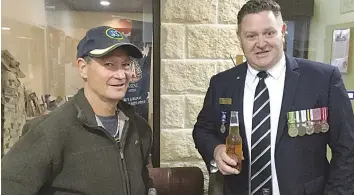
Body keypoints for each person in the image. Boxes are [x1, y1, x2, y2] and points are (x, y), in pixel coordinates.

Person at [192, 0, 354, 194]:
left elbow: (347, 149)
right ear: (239, 37)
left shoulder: (323, 80)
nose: (261, 44)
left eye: (269, 33)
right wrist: (216, 149)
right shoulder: (222, 84)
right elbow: (202, 130)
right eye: (251, 36)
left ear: (283, 31)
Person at [2, 26, 156, 195]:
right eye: (109, 64)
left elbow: (143, 179)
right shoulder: (50, 132)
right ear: (83, 68)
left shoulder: (139, 129)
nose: (120, 75)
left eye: (125, 65)